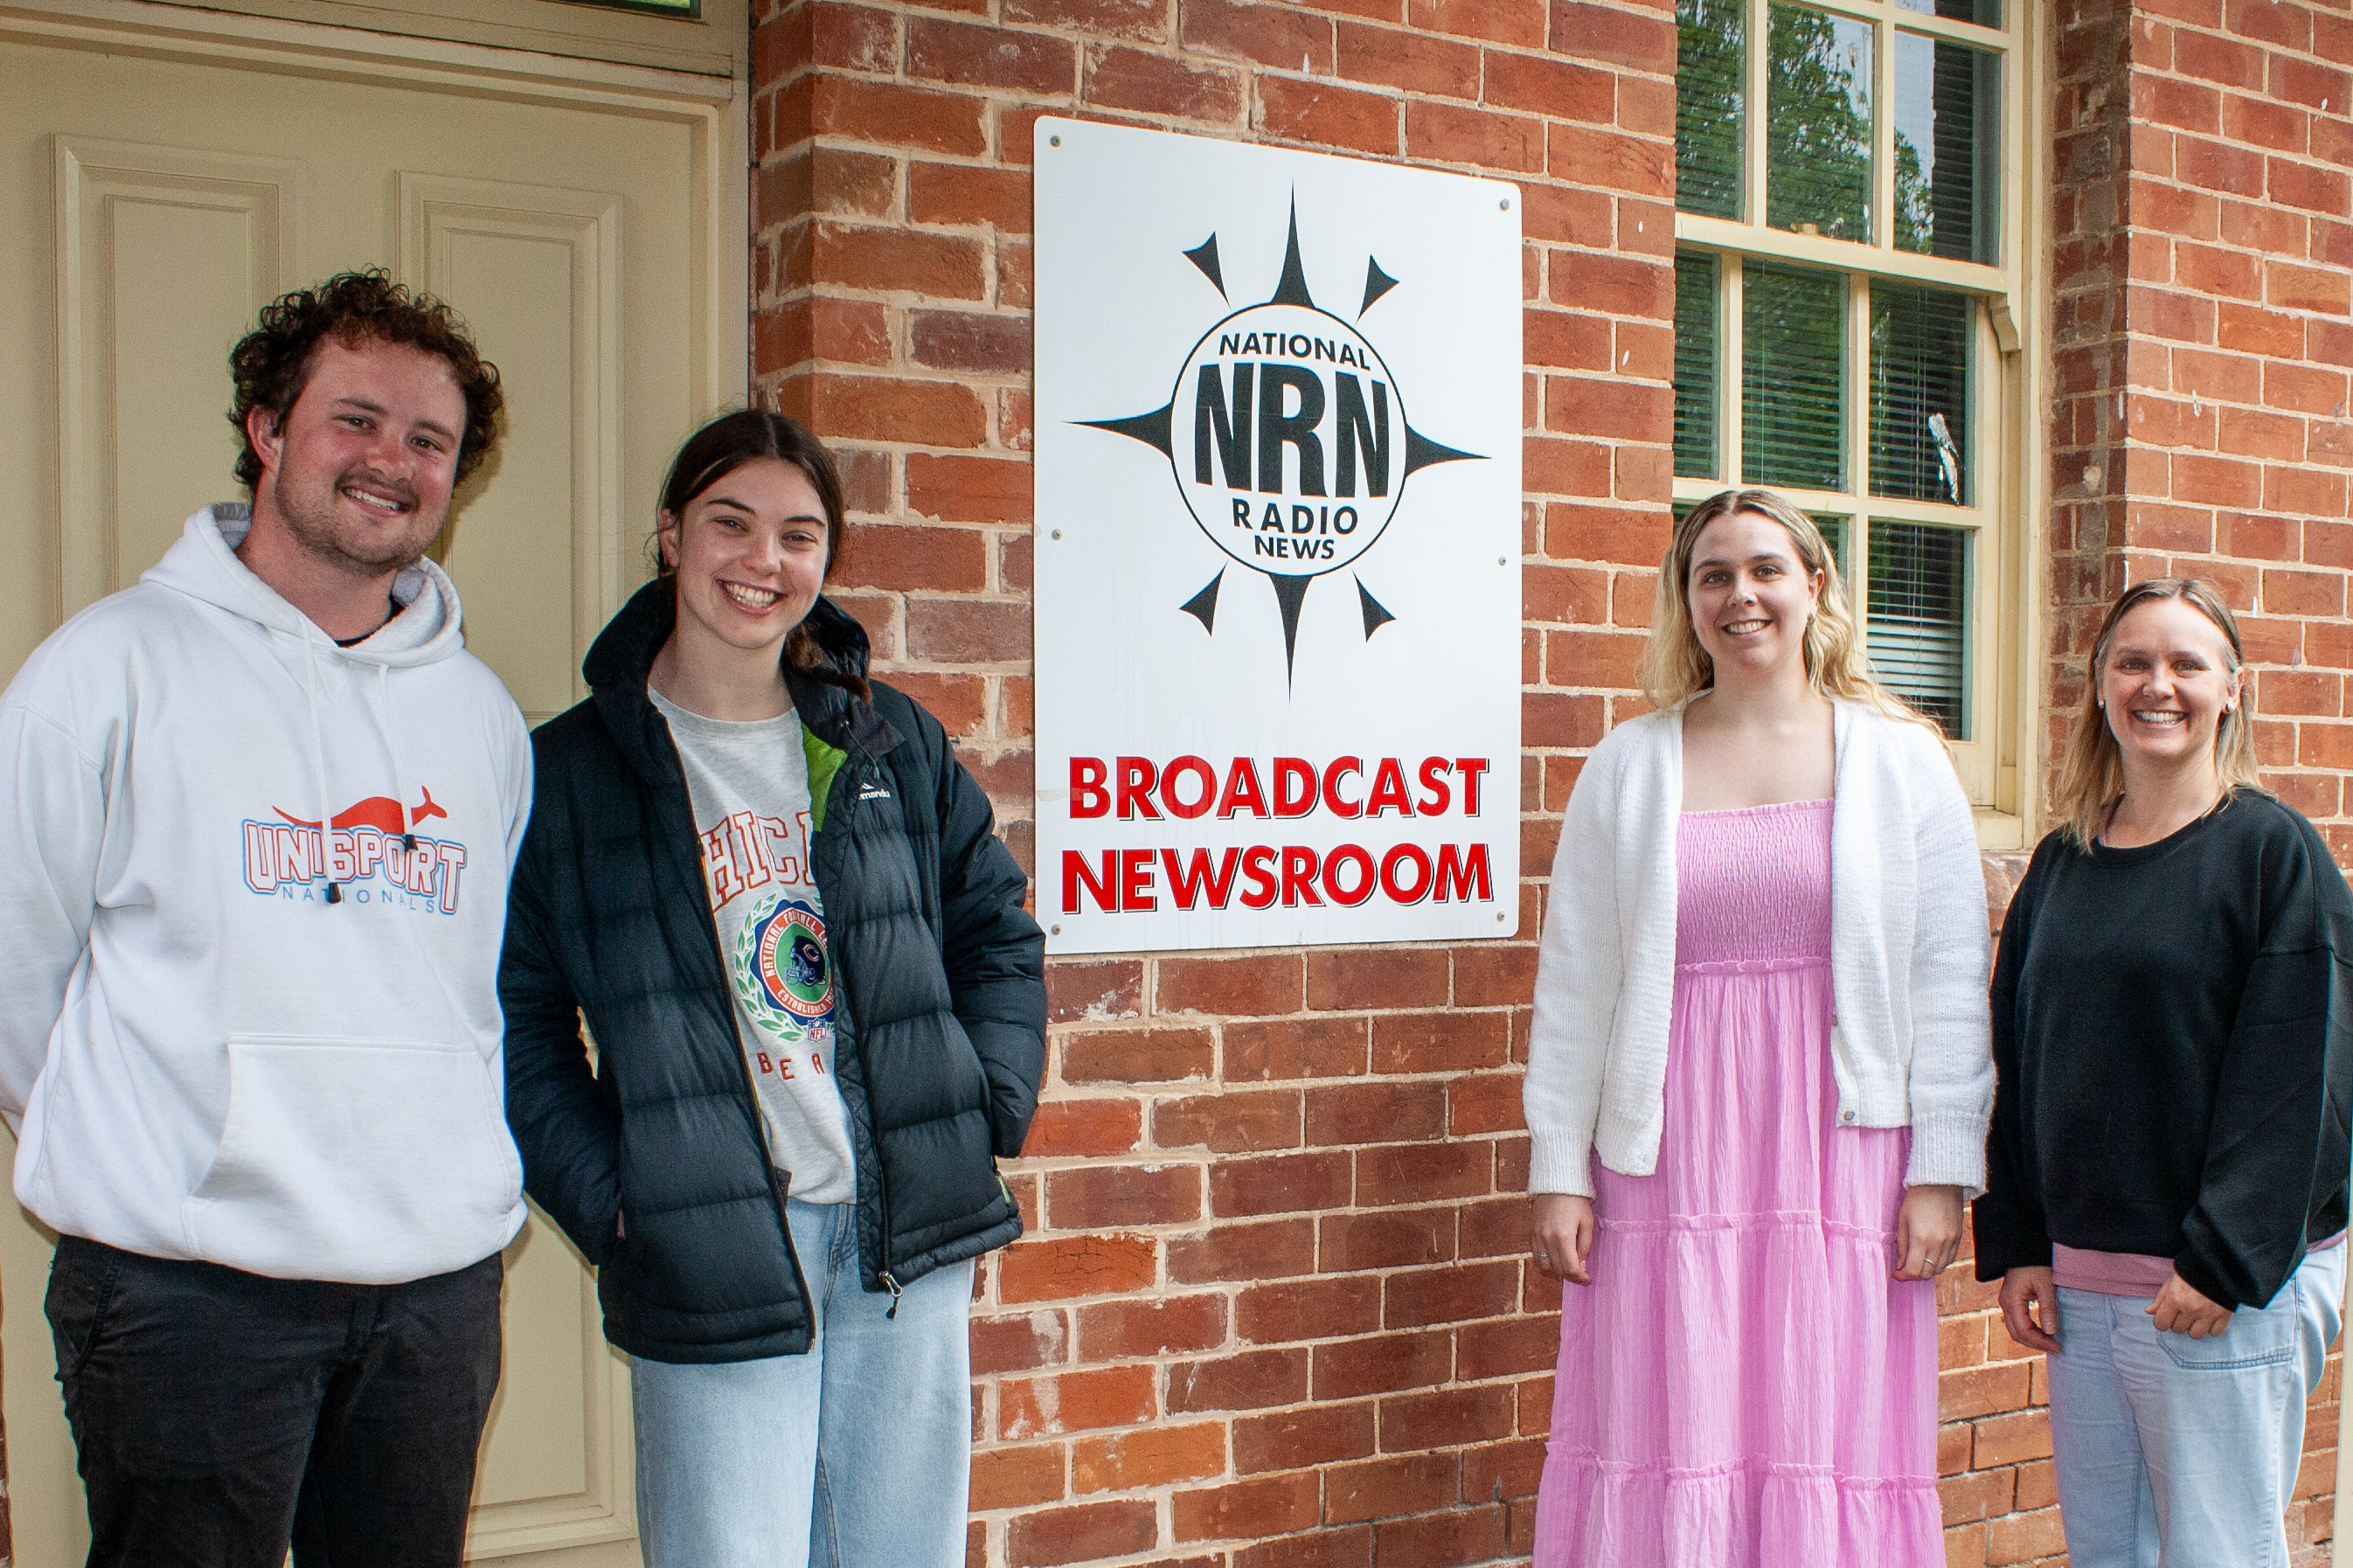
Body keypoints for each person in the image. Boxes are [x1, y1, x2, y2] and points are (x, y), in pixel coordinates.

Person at [0, 270, 524, 1566]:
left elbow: (468, 987)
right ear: (266, 426)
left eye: (427, 440)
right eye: (354, 420)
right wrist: (152, 1151)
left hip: (432, 1293)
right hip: (189, 1290)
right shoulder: (107, 667)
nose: (389, 462)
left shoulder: (482, 716)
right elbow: (17, 967)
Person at [501, 408, 1046, 1568]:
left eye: (798, 535)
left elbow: (996, 928)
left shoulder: (886, 735)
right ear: (671, 534)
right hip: (708, 1237)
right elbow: (523, 1027)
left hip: (905, 1227)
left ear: (826, 558)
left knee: (900, 1550)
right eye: (730, 524)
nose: (763, 561)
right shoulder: (573, 770)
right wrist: (619, 1199)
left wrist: (982, 1099)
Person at [1523, 487, 1994, 1565]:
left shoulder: (1901, 761)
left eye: (1765, 570)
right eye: (1714, 575)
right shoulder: (1630, 766)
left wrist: (1942, 1167)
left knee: (1822, 1417)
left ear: (1814, 586)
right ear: (1685, 604)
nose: (1742, 596)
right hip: (1669, 1148)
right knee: (1668, 1413)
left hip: (1843, 1153)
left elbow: (1948, 978)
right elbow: (1577, 981)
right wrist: (1559, 1164)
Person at [1975, 577, 2351, 1567]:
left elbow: (2299, 1075)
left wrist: (2220, 1260)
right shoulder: (2064, 860)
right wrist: (2018, 1240)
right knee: (2110, 1553)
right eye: (2132, 661)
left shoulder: (2272, 854)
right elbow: (2020, 1055)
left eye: (2186, 663)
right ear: (2098, 685)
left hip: (2216, 1290)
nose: (2158, 684)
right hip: (2084, 1281)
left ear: (2231, 688)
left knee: (2217, 1554)